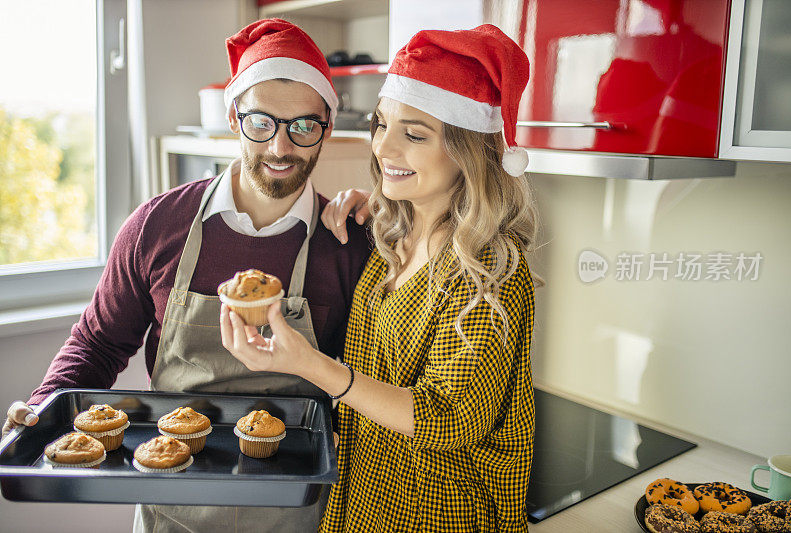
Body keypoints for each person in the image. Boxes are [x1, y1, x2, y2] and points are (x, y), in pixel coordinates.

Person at [2, 19, 370, 533]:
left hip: (296, 508)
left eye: (304, 126)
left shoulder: (350, 244)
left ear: (328, 125)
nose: (281, 148)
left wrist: (397, 221)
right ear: (232, 117)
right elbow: (98, 343)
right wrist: (44, 407)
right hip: (168, 505)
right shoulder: (156, 226)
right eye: (261, 123)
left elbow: (368, 382)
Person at [221, 24, 543, 532]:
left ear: (469, 151)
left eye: (414, 135)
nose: (384, 149)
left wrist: (309, 364)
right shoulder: (389, 236)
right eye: (381, 125)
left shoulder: (491, 270)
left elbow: (448, 419)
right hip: (365, 494)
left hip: (439, 510)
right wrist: (377, 204)